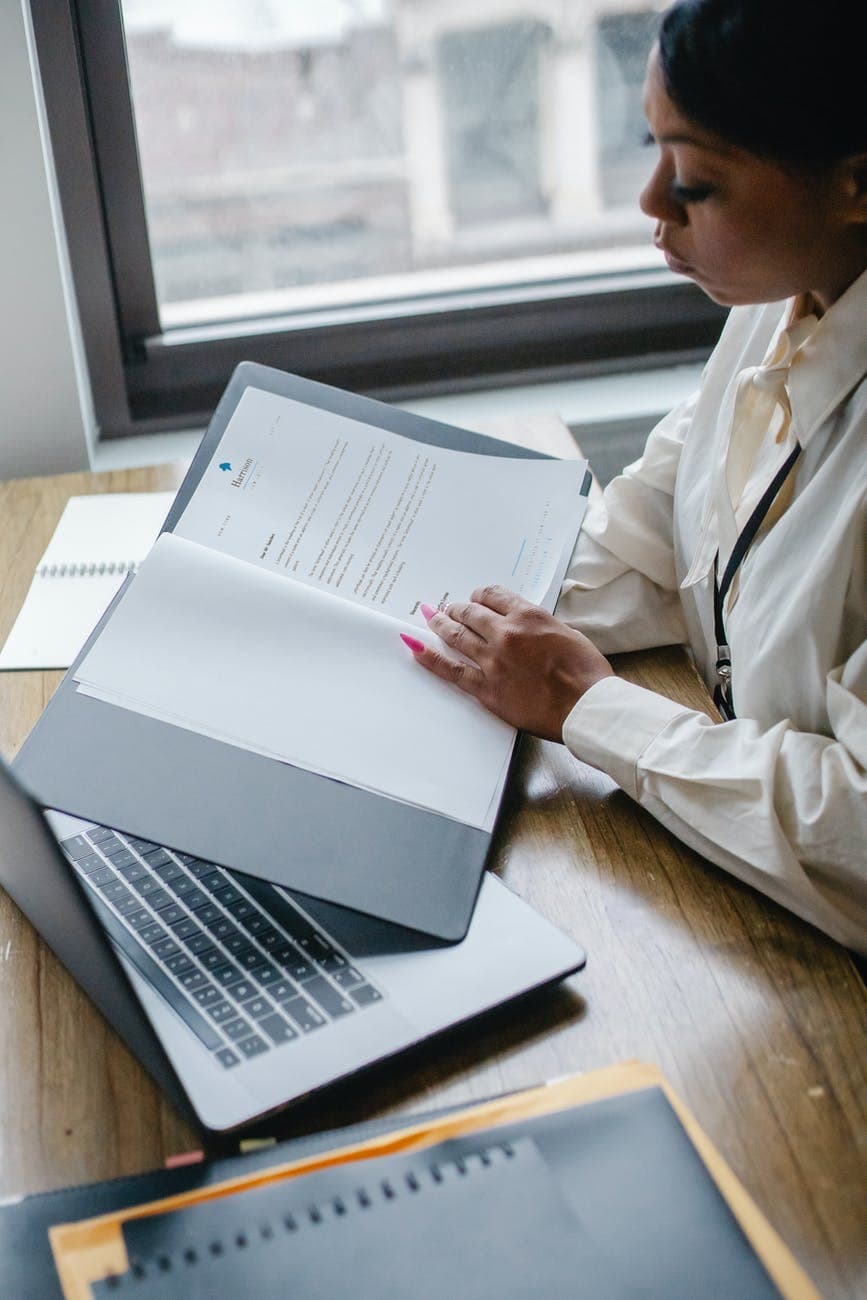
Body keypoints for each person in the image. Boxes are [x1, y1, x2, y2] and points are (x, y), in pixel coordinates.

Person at [402, 0, 867, 953]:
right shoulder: (784, 297)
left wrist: (587, 707)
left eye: (694, 178)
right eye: (651, 146)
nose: (650, 203)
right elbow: (659, 529)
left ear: (854, 185)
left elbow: (856, 827)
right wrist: (415, 611)